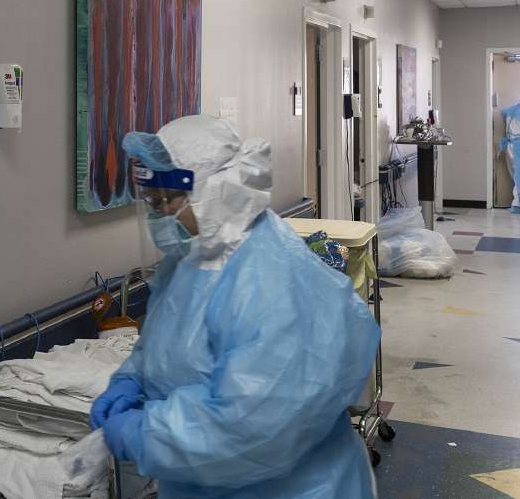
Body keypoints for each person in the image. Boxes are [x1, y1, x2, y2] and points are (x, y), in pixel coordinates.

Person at [90, 115, 380, 499]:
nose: (158, 214)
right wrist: (133, 378)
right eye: (150, 201)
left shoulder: (269, 279)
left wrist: (143, 434)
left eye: (166, 200)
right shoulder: (191, 259)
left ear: (215, 189)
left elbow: (251, 427)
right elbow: (165, 344)